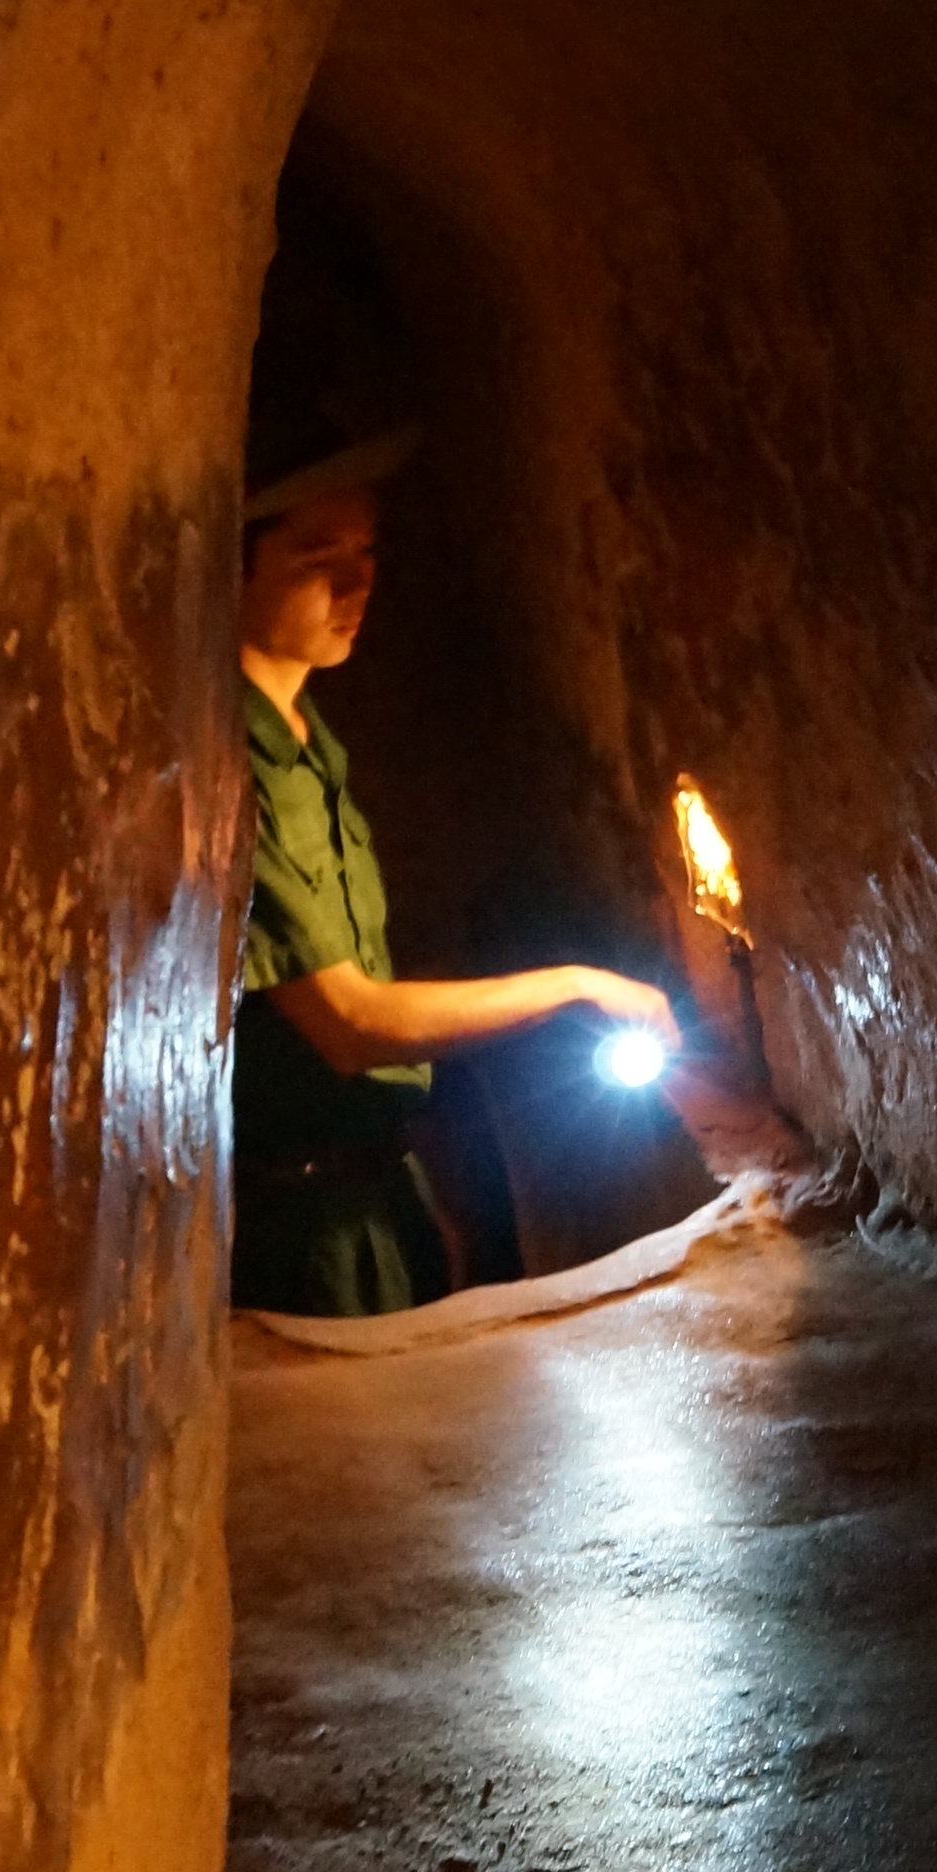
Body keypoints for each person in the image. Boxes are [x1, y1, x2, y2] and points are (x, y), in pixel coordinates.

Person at [233, 431, 682, 1318]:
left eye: (366, 551)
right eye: (317, 556)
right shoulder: (235, 766)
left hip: (373, 1198)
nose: (357, 584)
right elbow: (352, 1023)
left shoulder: (305, 740)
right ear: (230, 566)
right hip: (303, 1232)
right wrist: (574, 989)